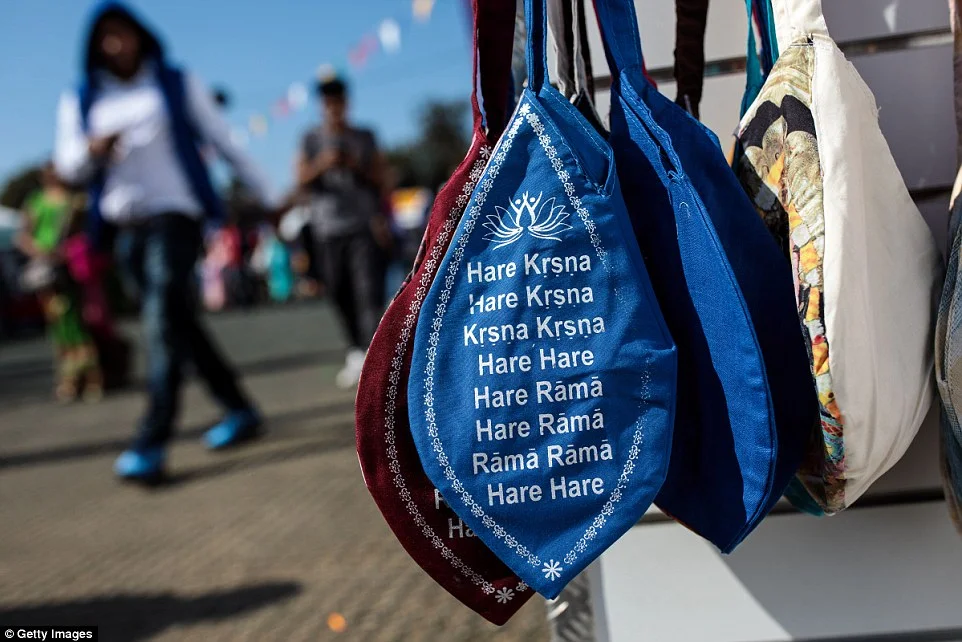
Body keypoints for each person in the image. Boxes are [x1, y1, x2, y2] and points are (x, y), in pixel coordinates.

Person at [54, 2, 279, 483]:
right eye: (106, 37)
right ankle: (239, 408)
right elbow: (68, 165)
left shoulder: (174, 81)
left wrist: (269, 194)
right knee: (178, 321)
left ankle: (151, 440)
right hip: (124, 229)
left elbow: (222, 137)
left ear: (140, 36)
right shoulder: (84, 97)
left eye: (124, 33)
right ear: (95, 45)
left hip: (175, 218)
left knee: (160, 321)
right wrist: (90, 151)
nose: (117, 45)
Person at [296, 75, 391, 388]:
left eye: (338, 100)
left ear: (346, 103)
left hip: (361, 226)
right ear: (322, 105)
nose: (333, 107)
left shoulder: (365, 136)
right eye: (327, 102)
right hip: (326, 228)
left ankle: (375, 357)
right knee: (338, 291)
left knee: (368, 291)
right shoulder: (310, 139)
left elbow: (381, 179)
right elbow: (300, 181)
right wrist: (323, 164)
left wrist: (354, 166)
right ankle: (356, 351)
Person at [17, 163, 104, 402]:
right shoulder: (37, 201)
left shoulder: (74, 200)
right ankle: (69, 378)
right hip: (46, 269)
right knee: (57, 323)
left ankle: (91, 377)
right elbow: (23, 235)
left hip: (70, 267)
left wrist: (68, 251)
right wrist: (39, 251)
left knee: (78, 319)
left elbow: (87, 234)